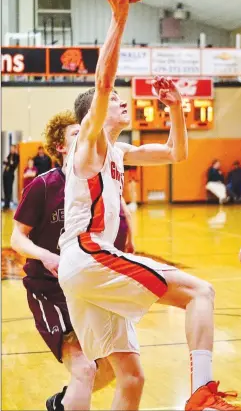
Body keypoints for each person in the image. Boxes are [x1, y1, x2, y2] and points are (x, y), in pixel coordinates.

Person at [58, 0, 241, 411]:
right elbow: (103, 84)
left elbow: (177, 154)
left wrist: (176, 108)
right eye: (118, 99)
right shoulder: (90, 144)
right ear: (95, 116)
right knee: (201, 293)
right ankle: (203, 393)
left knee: (132, 378)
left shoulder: (121, 151)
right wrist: (118, 19)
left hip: (83, 271)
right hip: (88, 256)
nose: (123, 102)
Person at [11, 111, 134, 411]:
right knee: (85, 368)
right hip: (50, 291)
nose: (86, 136)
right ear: (61, 146)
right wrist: (45, 255)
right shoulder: (43, 186)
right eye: (76, 133)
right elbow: (17, 238)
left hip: (88, 289)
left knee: (111, 370)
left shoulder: (96, 184)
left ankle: (63, 403)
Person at [3, 144, 20, 210]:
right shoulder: (9, 155)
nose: (11, 150)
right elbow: (4, 162)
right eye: (11, 148)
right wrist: (9, 163)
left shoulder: (16, 156)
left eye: (13, 148)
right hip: (5, 174)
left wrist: (9, 163)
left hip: (10, 175)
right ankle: (5, 204)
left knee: (9, 190)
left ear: (15, 149)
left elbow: (14, 165)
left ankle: (7, 204)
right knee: (5, 189)